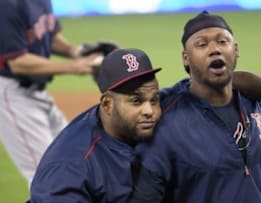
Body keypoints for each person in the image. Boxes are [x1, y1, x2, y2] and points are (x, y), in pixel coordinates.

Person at [130, 11, 261, 203]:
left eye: (222, 42)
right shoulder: (167, 122)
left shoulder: (259, 106)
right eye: (202, 44)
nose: (214, 49)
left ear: (235, 50)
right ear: (186, 58)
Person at [29, 48, 163, 202]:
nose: (149, 111)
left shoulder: (137, 121)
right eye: (136, 101)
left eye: (154, 100)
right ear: (107, 104)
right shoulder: (71, 167)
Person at [0, 0, 103, 187]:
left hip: (38, 93)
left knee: (75, 158)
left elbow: (47, 35)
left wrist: (76, 51)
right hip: (13, 94)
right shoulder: (8, 5)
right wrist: (73, 67)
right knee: (48, 179)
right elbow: (17, 61)